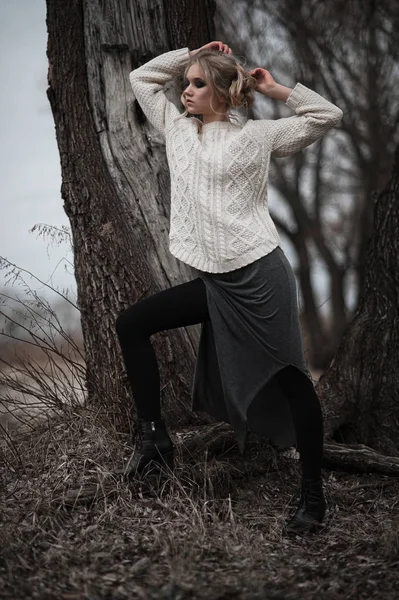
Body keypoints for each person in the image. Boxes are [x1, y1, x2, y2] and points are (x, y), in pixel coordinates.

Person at [116, 40, 343, 535]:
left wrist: (276, 89)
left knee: (291, 377)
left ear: (222, 91)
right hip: (216, 281)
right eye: (187, 83)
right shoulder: (177, 130)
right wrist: (191, 54)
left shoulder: (257, 137)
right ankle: (153, 437)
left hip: (261, 275)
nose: (186, 92)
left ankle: (312, 497)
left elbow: (327, 115)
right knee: (131, 324)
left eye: (198, 83)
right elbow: (141, 79)